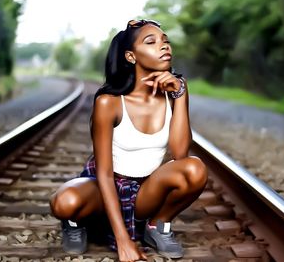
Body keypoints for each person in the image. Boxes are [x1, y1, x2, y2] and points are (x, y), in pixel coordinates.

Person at [50, 19, 208, 262]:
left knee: (195, 169)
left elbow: (179, 154)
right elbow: (104, 174)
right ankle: (73, 224)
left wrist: (181, 95)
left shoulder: (172, 93)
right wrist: (124, 241)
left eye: (165, 40)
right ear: (131, 56)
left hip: (146, 192)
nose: (164, 46)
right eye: (151, 41)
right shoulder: (108, 103)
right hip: (106, 188)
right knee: (64, 202)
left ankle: (157, 226)